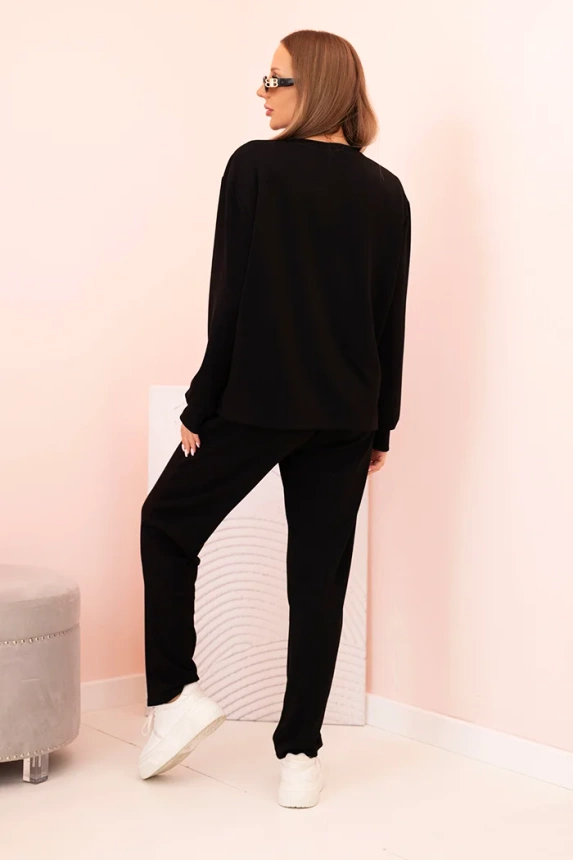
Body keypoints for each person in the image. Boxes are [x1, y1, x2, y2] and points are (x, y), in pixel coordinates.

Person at [138, 29, 412, 808]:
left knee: (165, 523)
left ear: (315, 87)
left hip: (257, 404)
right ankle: (299, 755)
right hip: (344, 415)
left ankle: (175, 696)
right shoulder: (386, 191)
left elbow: (230, 296)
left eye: (275, 79)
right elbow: (387, 318)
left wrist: (201, 403)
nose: (261, 93)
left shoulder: (254, 167)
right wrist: (380, 425)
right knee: (319, 581)